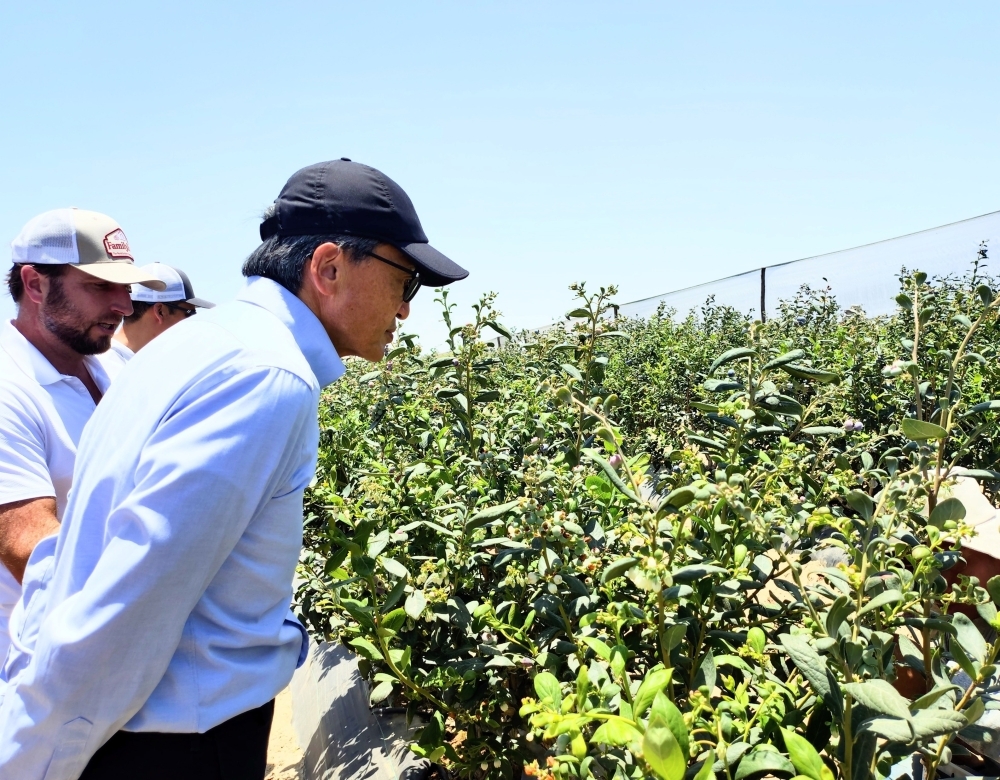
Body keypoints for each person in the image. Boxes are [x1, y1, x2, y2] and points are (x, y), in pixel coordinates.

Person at [0, 159, 468, 780]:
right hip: (179, 743)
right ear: (328, 268)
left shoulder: (195, 348)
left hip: (149, 727)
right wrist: (37, 757)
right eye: (404, 282)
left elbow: (79, 560)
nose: (406, 311)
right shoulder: (265, 378)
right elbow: (129, 599)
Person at [0, 209, 164, 664]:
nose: (124, 306)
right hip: (40, 669)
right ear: (35, 284)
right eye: (99, 286)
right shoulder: (9, 389)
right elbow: (30, 549)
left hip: (123, 641)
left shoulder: (117, 367)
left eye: (126, 288)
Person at [101, 262, 215, 378]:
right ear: (160, 311)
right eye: (189, 314)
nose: (192, 323)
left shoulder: (140, 364)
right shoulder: (106, 368)